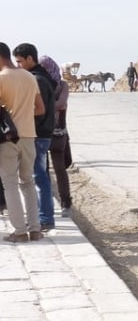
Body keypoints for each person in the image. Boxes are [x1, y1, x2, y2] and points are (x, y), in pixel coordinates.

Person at [1, 42, 46, 242]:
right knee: (28, 182)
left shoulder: (1, 78)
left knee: (10, 183)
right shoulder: (29, 76)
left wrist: (10, 114)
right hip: (29, 135)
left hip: (8, 138)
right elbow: (40, 108)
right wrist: (23, 114)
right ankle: (35, 229)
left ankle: (20, 231)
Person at [13, 43, 57, 232]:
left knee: (38, 178)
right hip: (42, 133)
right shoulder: (41, 77)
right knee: (40, 176)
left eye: (20, 61)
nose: (19, 66)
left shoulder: (37, 79)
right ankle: (44, 215)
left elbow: (38, 110)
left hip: (38, 134)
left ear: (30, 59)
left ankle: (45, 218)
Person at [40, 55, 72, 218]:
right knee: (43, 171)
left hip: (56, 134)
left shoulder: (61, 85)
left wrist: (41, 108)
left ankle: (66, 203)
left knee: (59, 169)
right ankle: (49, 206)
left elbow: (62, 104)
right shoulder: (42, 83)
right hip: (45, 132)